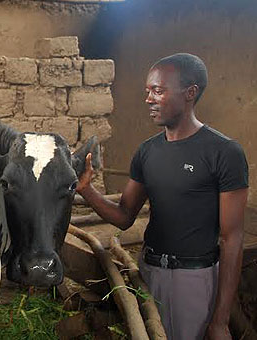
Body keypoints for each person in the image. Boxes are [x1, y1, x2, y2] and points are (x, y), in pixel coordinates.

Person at [76, 53, 248, 340]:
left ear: (190, 93)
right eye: (148, 91)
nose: (149, 99)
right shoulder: (147, 151)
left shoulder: (224, 152)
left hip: (193, 279)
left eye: (158, 90)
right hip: (148, 271)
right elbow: (123, 218)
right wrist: (86, 189)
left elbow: (233, 239)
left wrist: (220, 321)